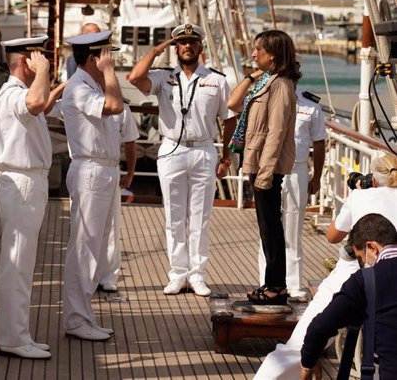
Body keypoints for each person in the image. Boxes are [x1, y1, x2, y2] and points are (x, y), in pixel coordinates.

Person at [253, 153, 397, 380]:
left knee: (301, 340)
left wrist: (357, 195)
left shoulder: (362, 196)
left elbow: (332, 236)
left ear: (375, 179)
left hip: (358, 270)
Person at [127, 23, 236, 297]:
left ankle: (198, 275)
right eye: (182, 43)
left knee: (201, 218)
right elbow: (133, 78)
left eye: (192, 42)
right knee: (174, 217)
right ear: (176, 48)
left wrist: (226, 156)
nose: (187, 46)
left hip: (203, 150)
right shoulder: (163, 78)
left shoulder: (217, 79)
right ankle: (177, 273)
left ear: (200, 48)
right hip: (171, 151)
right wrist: (157, 49)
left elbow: (229, 118)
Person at [61, 30, 124, 341]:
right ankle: (75, 318)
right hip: (90, 171)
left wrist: (107, 75)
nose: (110, 61)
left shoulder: (91, 85)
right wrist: (111, 73)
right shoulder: (77, 89)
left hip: (104, 172)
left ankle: (84, 314)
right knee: (84, 247)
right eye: (106, 56)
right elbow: (115, 106)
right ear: (93, 59)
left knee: (96, 248)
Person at [0, 35, 52, 360]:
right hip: (22, 181)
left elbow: (40, 103)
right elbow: (35, 104)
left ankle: (20, 334)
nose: (44, 61)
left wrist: (46, 81)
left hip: (27, 180)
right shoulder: (14, 94)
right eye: (37, 57)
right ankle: (13, 339)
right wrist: (41, 72)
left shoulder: (15, 93)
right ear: (25, 61)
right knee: (17, 263)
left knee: (23, 264)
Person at [227, 29, 298, 305]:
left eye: (259, 50)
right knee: (266, 227)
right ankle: (273, 283)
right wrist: (250, 77)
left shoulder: (280, 85)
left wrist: (266, 173)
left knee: (271, 227)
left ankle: (276, 287)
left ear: (274, 55)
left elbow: (276, 132)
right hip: (257, 163)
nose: (254, 54)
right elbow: (232, 104)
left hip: (267, 167)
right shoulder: (266, 81)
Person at [256, 55, 326, 301]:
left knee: (293, 228)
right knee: (268, 227)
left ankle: (293, 284)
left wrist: (316, 176)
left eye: (293, 68)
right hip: (270, 168)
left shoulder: (310, 104)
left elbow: (319, 144)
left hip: (296, 170)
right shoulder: (266, 95)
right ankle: (267, 280)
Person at [300, 213, 397, 380]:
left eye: (361, 259)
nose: (365, 265)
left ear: (372, 247)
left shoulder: (366, 280)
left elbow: (321, 327)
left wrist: (308, 360)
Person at [98, 101, 140, 292]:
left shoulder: (122, 107)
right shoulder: (77, 96)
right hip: (84, 164)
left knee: (111, 224)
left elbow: (130, 140)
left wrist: (130, 172)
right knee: (81, 225)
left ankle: (108, 276)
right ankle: (86, 275)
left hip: (110, 166)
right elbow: (47, 108)